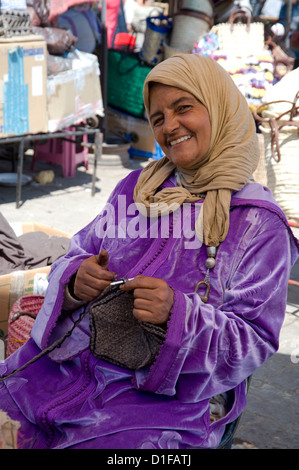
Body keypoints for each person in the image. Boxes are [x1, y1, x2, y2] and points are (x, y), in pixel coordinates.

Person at [0, 54, 298, 450]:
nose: (169, 126)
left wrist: (178, 316)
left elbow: (254, 339)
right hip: (61, 370)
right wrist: (76, 278)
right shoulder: (133, 189)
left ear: (219, 107)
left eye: (183, 108)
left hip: (159, 404)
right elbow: (76, 251)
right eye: (157, 118)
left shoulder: (259, 223)